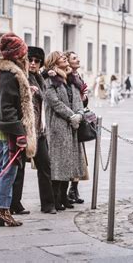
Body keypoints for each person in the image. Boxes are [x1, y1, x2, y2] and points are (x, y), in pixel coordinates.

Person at [0, 32, 36, 227]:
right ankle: (3, 210)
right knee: (9, 170)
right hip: (9, 130)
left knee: (1, 168)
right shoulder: (10, 74)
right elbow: (7, 107)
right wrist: (20, 133)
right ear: (17, 55)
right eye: (24, 53)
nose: (26, 57)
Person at [10, 46, 57, 215]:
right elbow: (14, 99)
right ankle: (15, 203)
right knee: (19, 168)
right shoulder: (20, 77)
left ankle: (48, 204)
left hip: (40, 131)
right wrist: (27, 93)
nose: (33, 63)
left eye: (37, 61)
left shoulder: (40, 79)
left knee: (45, 165)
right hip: (25, 130)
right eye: (30, 60)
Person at [43, 51, 85, 211]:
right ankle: (55, 198)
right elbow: (54, 102)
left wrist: (79, 114)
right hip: (58, 127)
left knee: (68, 162)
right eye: (62, 58)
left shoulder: (71, 79)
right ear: (54, 63)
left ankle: (64, 197)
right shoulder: (49, 80)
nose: (65, 59)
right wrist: (71, 116)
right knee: (58, 163)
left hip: (72, 126)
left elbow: (78, 100)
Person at [64, 51, 90, 204]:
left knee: (80, 157)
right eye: (74, 58)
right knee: (71, 156)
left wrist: (84, 99)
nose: (78, 59)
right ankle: (68, 190)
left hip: (79, 120)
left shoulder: (78, 77)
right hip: (70, 119)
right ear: (67, 61)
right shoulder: (67, 78)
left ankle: (74, 189)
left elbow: (82, 100)